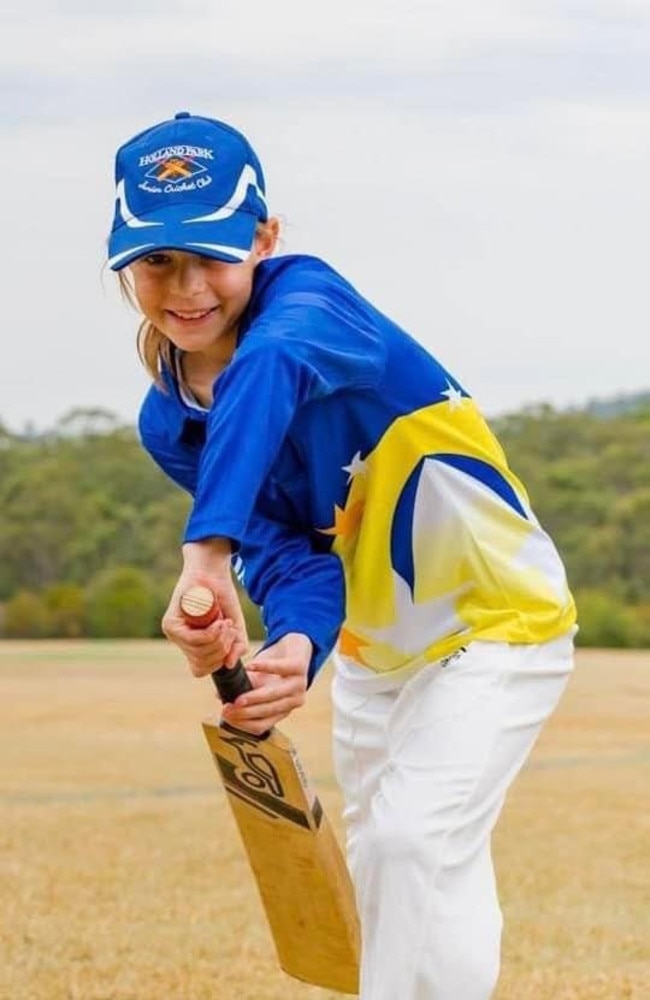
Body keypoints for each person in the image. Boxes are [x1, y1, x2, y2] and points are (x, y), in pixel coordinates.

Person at [107, 110, 577, 1000]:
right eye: (157, 260)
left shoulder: (315, 306)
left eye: (211, 253)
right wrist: (293, 644)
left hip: (499, 621)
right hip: (376, 656)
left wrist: (203, 554)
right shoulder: (169, 425)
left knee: (410, 843)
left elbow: (267, 372)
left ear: (264, 238)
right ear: (128, 262)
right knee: (410, 872)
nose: (186, 286)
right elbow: (289, 555)